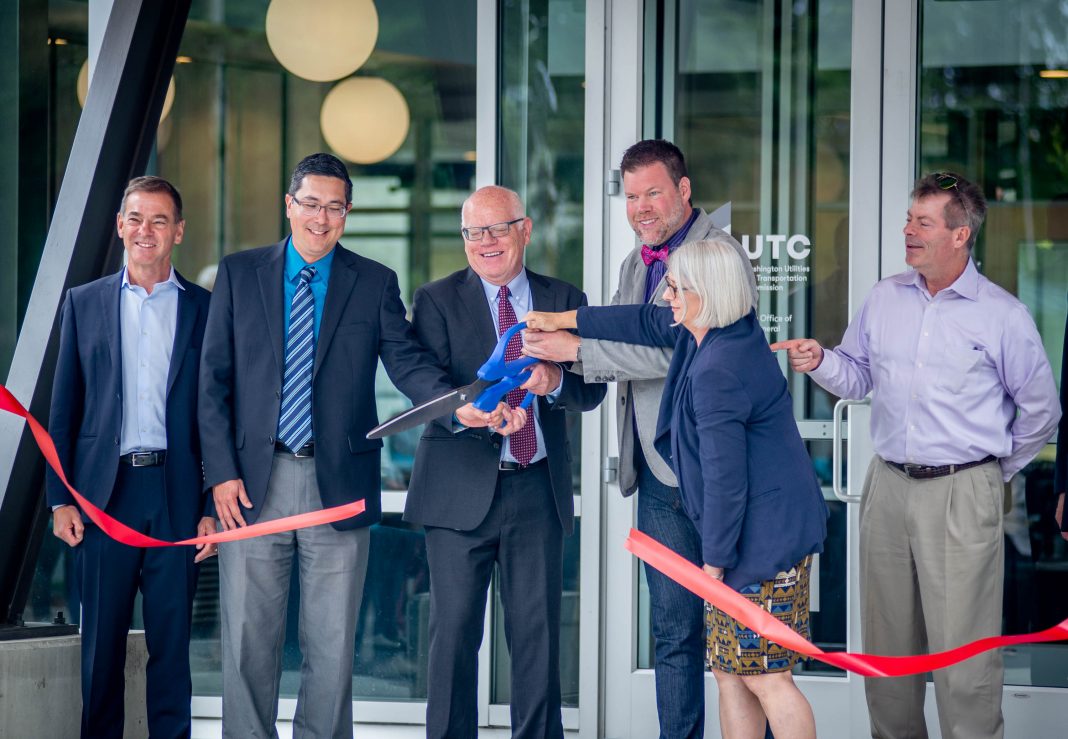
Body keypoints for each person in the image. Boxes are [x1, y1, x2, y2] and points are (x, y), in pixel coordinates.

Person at [198, 153, 512, 738]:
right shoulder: (240, 274)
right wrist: (219, 474)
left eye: (335, 206)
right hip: (250, 486)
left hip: (337, 484)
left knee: (334, 647)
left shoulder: (373, 281)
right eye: (311, 204)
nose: (321, 218)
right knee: (247, 645)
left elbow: (407, 363)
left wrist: (456, 403)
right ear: (289, 206)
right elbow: (212, 379)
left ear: (348, 212)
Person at [772, 172, 1060, 739]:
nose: (908, 231)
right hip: (888, 486)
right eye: (909, 219)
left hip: (962, 491)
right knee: (887, 656)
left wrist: (989, 473)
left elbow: (1041, 412)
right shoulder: (885, 297)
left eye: (923, 222)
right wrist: (820, 360)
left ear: (960, 235)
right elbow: (856, 377)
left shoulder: (1002, 316)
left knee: (965, 661)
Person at [525, 237, 826, 739]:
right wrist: (566, 319)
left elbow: (725, 481)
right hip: (756, 531)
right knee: (732, 673)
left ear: (707, 294)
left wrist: (714, 559)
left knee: (769, 678)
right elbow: (640, 322)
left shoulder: (719, 369)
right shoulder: (714, 330)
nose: (667, 296)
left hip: (765, 541)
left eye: (676, 288)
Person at [523, 139, 756, 738]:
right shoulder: (639, 260)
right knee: (674, 631)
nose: (642, 208)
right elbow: (632, 334)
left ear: (684, 189)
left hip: (716, 472)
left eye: (653, 192)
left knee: (747, 641)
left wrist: (576, 350)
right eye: (631, 197)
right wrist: (558, 368)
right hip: (657, 469)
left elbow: (671, 345)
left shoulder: (715, 254)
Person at [403, 185, 606, 739]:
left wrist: (554, 380)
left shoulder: (564, 297)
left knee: (536, 638)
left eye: (498, 229)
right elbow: (425, 386)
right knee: (453, 640)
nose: (487, 242)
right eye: (474, 232)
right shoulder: (436, 299)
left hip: (535, 490)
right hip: (457, 492)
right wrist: (466, 412)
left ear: (526, 230)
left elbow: (591, 392)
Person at [47, 175, 214, 738]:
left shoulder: (206, 310)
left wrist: (213, 501)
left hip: (176, 497)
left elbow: (219, 415)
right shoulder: (84, 302)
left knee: (172, 649)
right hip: (102, 498)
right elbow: (63, 409)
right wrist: (58, 500)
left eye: (160, 220)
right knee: (100, 649)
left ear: (179, 232)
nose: (146, 230)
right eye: (136, 218)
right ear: (120, 226)